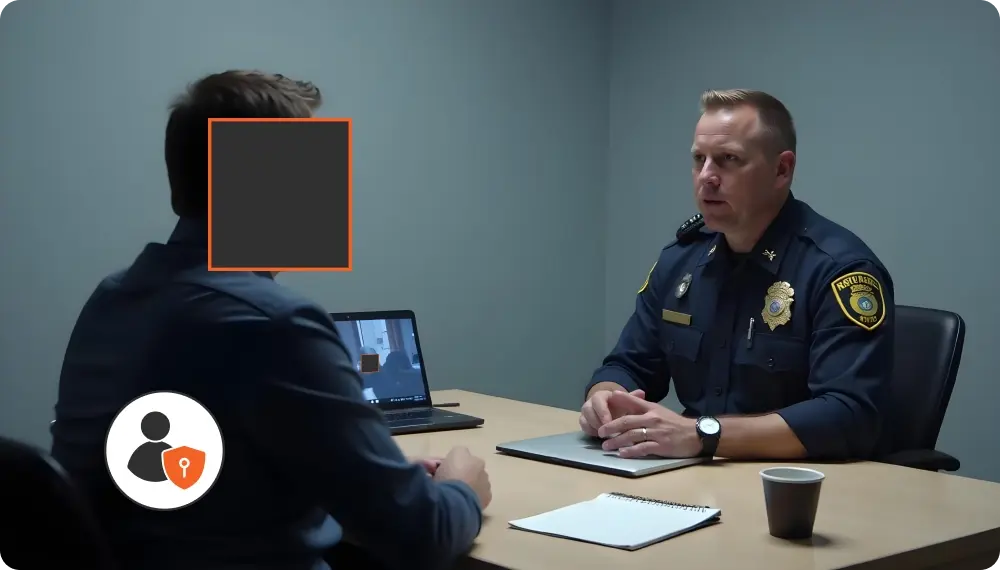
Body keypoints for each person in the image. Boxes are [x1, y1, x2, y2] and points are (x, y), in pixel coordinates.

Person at [51, 70, 491, 570]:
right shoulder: (274, 325)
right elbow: (422, 534)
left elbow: (199, 490)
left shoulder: (113, 298)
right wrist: (462, 488)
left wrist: (360, 476)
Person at [580, 89, 894, 462]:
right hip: (688, 470)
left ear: (782, 169)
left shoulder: (838, 271)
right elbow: (629, 364)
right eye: (699, 159)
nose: (707, 177)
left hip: (793, 487)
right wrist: (605, 397)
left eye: (728, 160)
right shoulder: (681, 261)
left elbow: (848, 415)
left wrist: (703, 435)